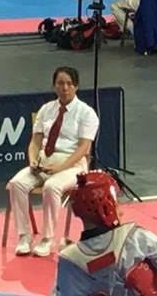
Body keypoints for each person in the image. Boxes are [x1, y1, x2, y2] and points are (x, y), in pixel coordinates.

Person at [7, 66, 99, 257]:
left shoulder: (86, 113)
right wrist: (33, 160)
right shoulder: (46, 109)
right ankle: (24, 236)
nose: (64, 88)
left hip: (72, 165)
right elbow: (35, 141)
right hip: (44, 162)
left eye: (69, 84)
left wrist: (60, 167)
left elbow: (83, 148)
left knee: (51, 187)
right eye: (60, 83)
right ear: (54, 86)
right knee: (17, 184)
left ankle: (47, 239)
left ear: (76, 86)